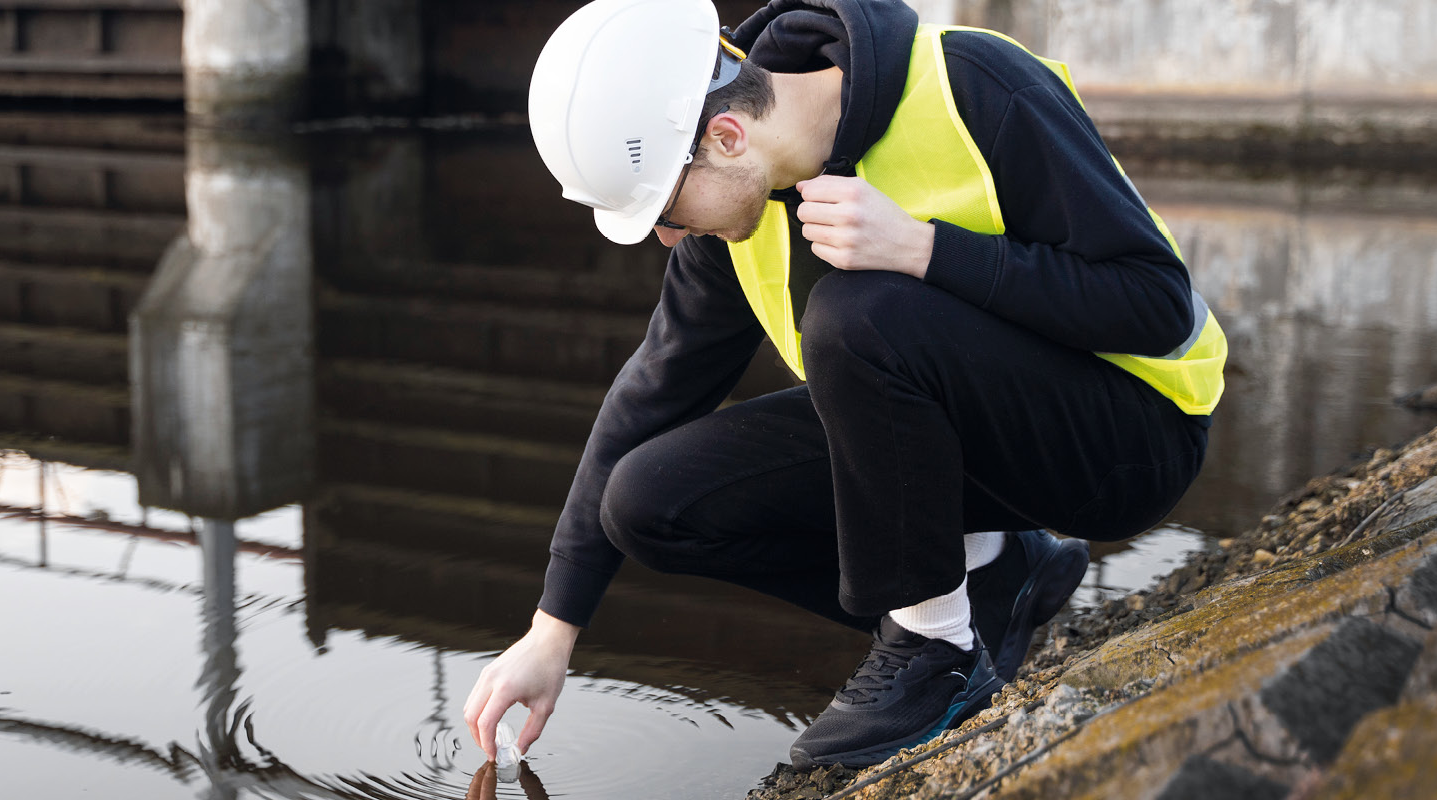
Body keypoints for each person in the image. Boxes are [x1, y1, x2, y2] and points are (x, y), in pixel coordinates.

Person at [461, 0, 1224, 769]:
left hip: (1131, 439)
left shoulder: (976, 84)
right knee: (649, 501)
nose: (665, 236)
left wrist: (926, 251)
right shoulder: (735, 212)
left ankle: (936, 652)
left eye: (663, 208)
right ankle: (996, 574)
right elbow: (651, 392)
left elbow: (1155, 302)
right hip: (985, 454)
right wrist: (551, 629)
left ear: (726, 137)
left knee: (856, 314)